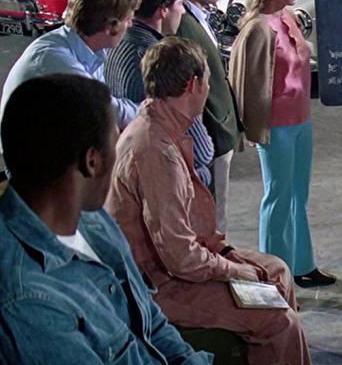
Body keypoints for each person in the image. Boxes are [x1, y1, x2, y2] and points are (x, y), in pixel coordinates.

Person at [105, 37, 311, 365]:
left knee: (277, 271)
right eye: (209, 81)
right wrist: (233, 270)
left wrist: (228, 258)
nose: (210, 89)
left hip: (175, 265)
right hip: (157, 284)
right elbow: (180, 257)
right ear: (193, 84)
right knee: (278, 321)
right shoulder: (156, 151)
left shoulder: (161, 124)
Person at [0, 74, 211, 364]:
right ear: (93, 162)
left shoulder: (92, 219)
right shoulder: (28, 301)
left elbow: (151, 322)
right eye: (116, 142)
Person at [228, 0, 334, 287]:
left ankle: (302, 264)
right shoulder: (258, 28)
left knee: (298, 195)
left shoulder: (288, 17)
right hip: (276, 124)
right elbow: (243, 81)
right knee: (278, 195)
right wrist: (251, 128)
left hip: (301, 119)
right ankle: (274, 273)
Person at [105, 0, 215, 186]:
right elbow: (201, 152)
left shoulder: (114, 46)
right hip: (164, 178)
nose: (183, 11)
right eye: (180, 4)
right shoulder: (161, 60)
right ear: (162, 11)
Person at [0, 0, 140, 128]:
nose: (130, 25)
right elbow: (110, 113)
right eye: (128, 19)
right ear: (110, 26)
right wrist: (152, 108)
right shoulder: (54, 60)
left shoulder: (87, 48)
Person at [175, 0, 242, 233]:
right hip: (210, 138)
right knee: (213, 220)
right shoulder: (183, 25)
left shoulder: (199, 16)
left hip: (220, 133)